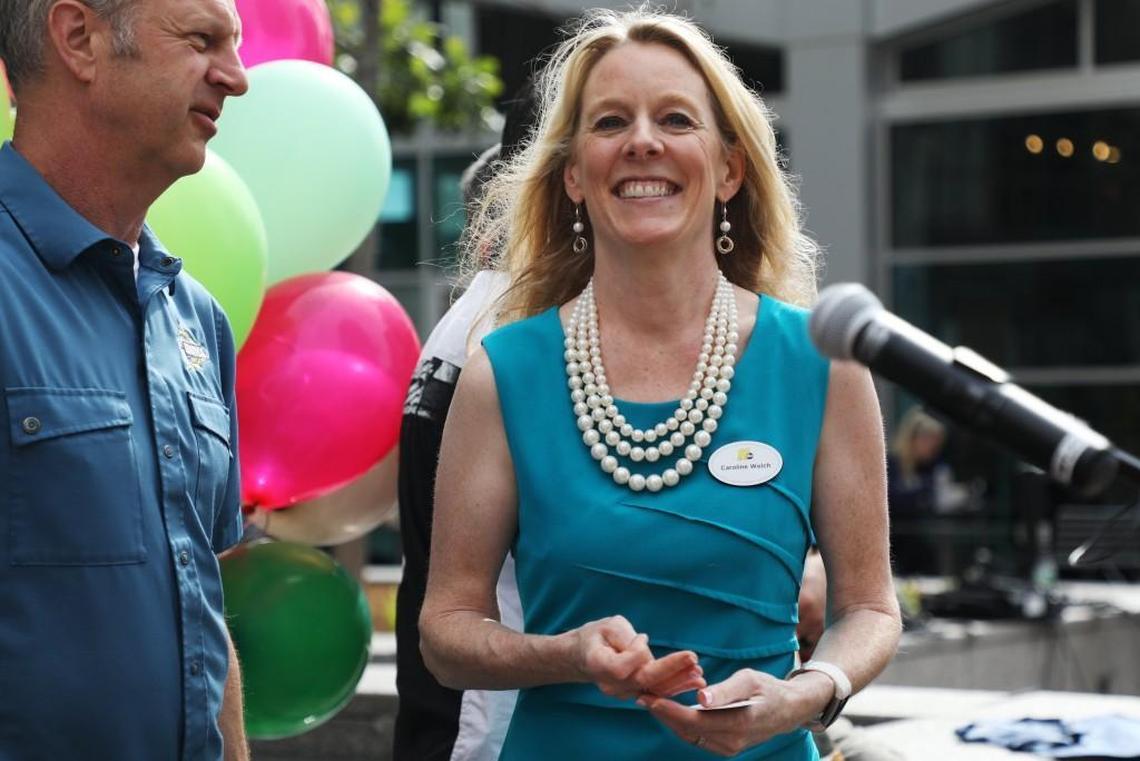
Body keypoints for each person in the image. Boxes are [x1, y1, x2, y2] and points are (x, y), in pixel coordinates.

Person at [419, 7, 901, 760]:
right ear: (574, 173)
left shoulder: (821, 360)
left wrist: (805, 695)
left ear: (731, 169)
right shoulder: (502, 373)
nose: (643, 141)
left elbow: (870, 607)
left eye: (675, 119)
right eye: (611, 122)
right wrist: (566, 651)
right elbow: (445, 632)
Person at [0, 1, 249, 758]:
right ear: (80, 39)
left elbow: (202, 600)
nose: (236, 78)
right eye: (202, 41)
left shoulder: (197, 319)